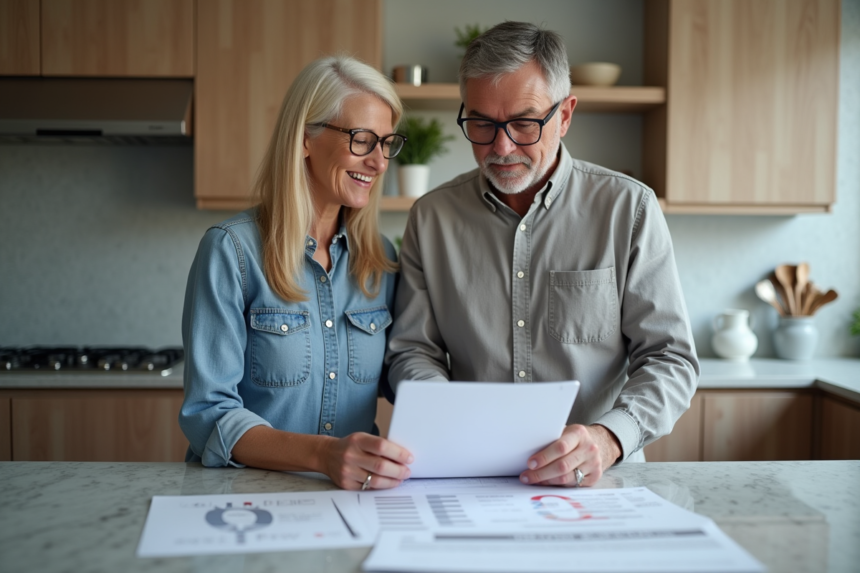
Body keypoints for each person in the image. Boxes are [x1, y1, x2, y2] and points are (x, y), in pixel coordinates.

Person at [386, 22, 699, 487]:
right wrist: (446, 417)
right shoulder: (431, 218)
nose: (502, 146)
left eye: (524, 123)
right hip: (472, 477)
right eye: (481, 124)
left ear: (566, 114)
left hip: (600, 478)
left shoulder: (628, 208)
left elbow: (670, 357)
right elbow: (413, 350)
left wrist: (609, 437)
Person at [180, 56, 413, 491]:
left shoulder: (379, 258)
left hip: (354, 498)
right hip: (248, 500)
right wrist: (324, 455)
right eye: (363, 140)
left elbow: (403, 373)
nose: (379, 163)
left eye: (387, 143)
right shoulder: (231, 250)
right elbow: (209, 413)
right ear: (305, 137)